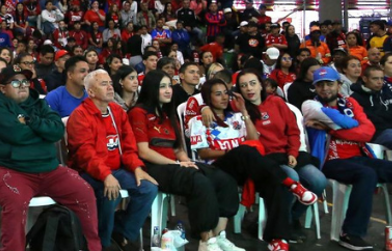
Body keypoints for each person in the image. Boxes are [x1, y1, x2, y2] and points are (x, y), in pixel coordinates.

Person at [186, 79, 317, 251]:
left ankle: (278, 239)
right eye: (218, 94)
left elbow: (254, 140)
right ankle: (292, 184)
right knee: (245, 151)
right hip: (217, 167)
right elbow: (204, 153)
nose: (224, 97)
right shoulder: (199, 120)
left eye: (226, 93)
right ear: (208, 98)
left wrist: (243, 112)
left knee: (273, 181)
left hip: (244, 166)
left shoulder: (236, 116)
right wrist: (233, 152)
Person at [0, 67, 101, 251]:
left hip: (47, 168)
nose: (22, 86)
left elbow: (57, 130)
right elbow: (18, 135)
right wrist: (42, 133)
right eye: (15, 83)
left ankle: (91, 247)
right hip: (7, 169)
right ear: (3, 88)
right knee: (15, 201)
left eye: (25, 82)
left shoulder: (39, 103)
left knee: (84, 192)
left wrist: (30, 121)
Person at [128, 70, 240, 251]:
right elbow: (144, 151)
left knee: (224, 179)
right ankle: (206, 241)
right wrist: (177, 164)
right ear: (150, 89)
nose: (167, 91)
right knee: (198, 181)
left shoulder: (169, 114)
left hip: (176, 165)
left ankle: (219, 236)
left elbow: (179, 149)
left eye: (169, 86)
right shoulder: (138, 112)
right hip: (153, 167)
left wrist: (186, 161)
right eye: (161, 87)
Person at [66, 69, 159, 250]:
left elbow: (129, 147)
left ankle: (121, 231)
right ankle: (101, 243)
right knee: (110, 193)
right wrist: (106, 175)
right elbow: (85, 155)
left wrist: (137, 168)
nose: (110, 87)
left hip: (116, 170)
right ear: (91, 92)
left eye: (110, 83)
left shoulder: (117, 112)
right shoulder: (80, 116)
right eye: (103, 84)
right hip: (88, 172)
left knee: (148, 188)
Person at [228, 71, 325, 238]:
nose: (249, 88)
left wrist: (293, 153)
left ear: (261, 84)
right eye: (243, 86)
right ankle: (283, 227)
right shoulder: (238, 107)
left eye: (252, 83)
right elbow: (215, 104)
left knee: (319, 181)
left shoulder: (277, 102)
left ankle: (289, 218)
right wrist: (207, 107)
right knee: (291, 177)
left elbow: (293, 131)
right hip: (264, 161)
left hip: (287, 154)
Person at [306, 67, 392, 250]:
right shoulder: (313, 107)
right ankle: (350, 234)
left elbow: (368, 131)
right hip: (331, 160)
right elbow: (357, 128)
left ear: (339, 84)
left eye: (329, 83)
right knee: (367, 174)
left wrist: (331, 129)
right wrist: (351, 130)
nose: (325, 89)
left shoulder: (351, 103)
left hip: (359, 156)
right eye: (320, 85)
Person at [350, 66, 392, 150]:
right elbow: (371, 121)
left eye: (381, 79)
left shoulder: (386, 92)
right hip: (376, 134)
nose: (379, 82)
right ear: (365, 79)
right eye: (375, 79)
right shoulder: (355, 98)